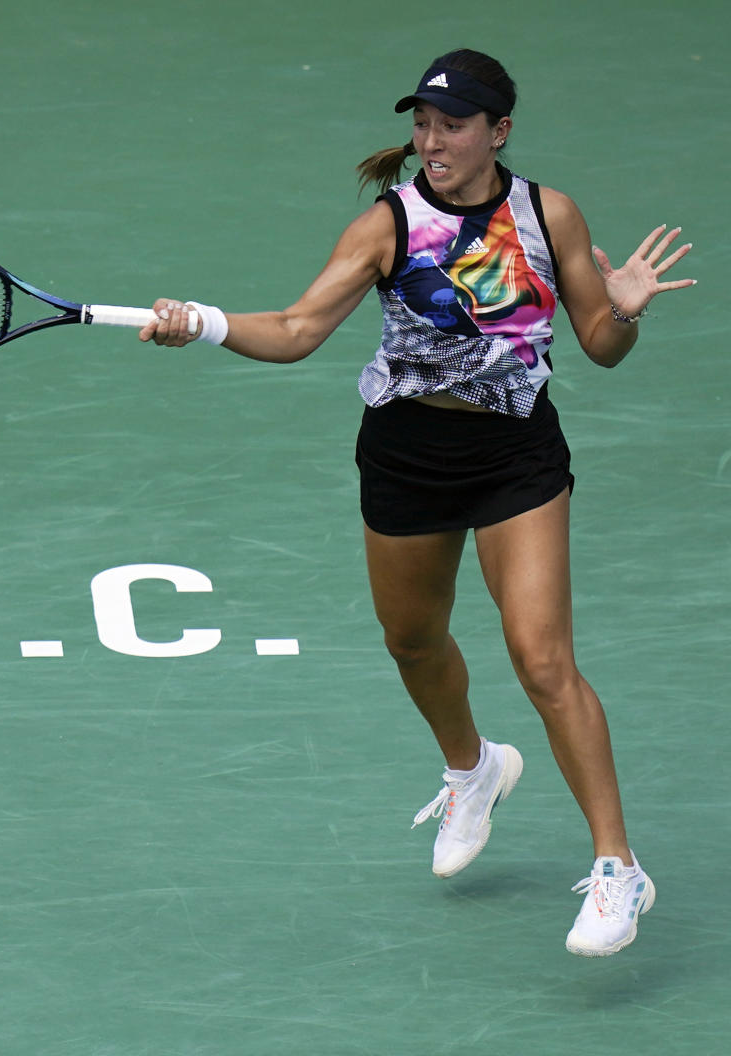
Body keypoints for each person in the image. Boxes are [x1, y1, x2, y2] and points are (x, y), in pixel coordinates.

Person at [139, 48, 694, 957]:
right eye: (424, 123)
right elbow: (296, 331)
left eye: (454, 125)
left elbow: (598, 344)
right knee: (412, 639)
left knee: (543, 659)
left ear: (498, 132)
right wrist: (198, 322)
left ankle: (617, 869)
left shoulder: (547, 215)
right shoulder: (388, 224)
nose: (432, 140)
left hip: (516, 455)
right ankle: (474, 769)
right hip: (406, 455)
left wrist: (624, 306)